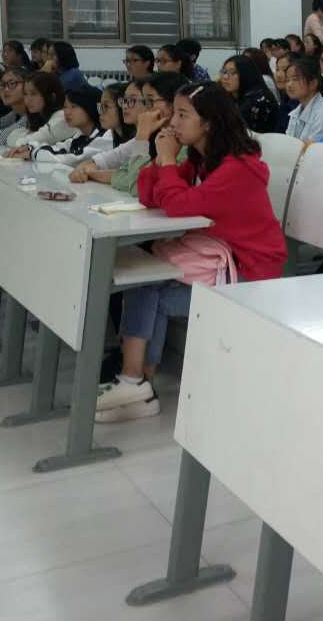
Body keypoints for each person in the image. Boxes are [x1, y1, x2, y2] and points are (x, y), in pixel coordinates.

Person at [95, 84, 286, 422]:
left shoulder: (238, 168)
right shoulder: (201, 160)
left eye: (183, 115)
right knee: (146, 279)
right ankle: (138, 385)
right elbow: (149, 195)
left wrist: (169, 160)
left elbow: (177, 205)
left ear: (209, 122)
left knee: (148, 286)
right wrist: (160, 159)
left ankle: (136, 383)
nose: (173, 123)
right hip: (216, 260)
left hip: (249, 273)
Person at [70, 79, 147, 185]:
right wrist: (83, 170)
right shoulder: (130, 139)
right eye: (124, 100)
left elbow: (133, 178)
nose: (124, 106)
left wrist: (92, 173)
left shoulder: (157, 138)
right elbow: (98, 160)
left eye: (132, 100)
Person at [23, 86, 113, 164]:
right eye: (65, 107)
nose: (67, 112)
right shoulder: (81, 134)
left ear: (90, 108)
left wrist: (32, 153)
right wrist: (30, 147)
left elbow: (71, 159)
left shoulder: (105, 137)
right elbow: (59, 148)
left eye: (74, 106)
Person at [5, 71, 78, 149]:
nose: (27, 100)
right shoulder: (40, 116)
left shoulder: (62, 117)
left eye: (33, 94)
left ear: (51, 96)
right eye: (25, 94)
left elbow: (22, 143)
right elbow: (10, 138)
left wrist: (27, 137)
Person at [284, 54, 323, 140]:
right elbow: (288, 141)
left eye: (295, 79)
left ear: (313, 84)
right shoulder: (297, 110)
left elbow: (314, 146)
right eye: (287, 80)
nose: (289, 85)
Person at [218, 55, 279, 133]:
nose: (225, 77)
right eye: (224, 72)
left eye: (233, 72)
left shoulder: (258, 101)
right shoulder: (231, 96)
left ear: (246, 74)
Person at [0, 68, 29, 144]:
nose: (5, 89)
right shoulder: (14, 113)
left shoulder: (32, 114)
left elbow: (0, 138)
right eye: (2, 85)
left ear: (27, 86)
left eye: (12, 84)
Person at [272, 53, 296, 132]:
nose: (278, 75)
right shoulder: (286, 97)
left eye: (285, 70)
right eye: (277, 70)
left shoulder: (298, 102)